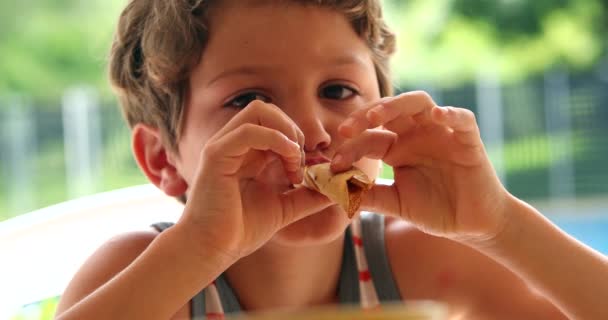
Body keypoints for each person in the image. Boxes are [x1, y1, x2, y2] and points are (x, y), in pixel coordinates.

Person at [54, 1, 608, 319]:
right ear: (163, 159)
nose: (312, 134)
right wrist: (196, 250)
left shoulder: (424, 264)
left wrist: (501, 225)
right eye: (249, 101)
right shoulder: (144, 280)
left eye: (339, 90)